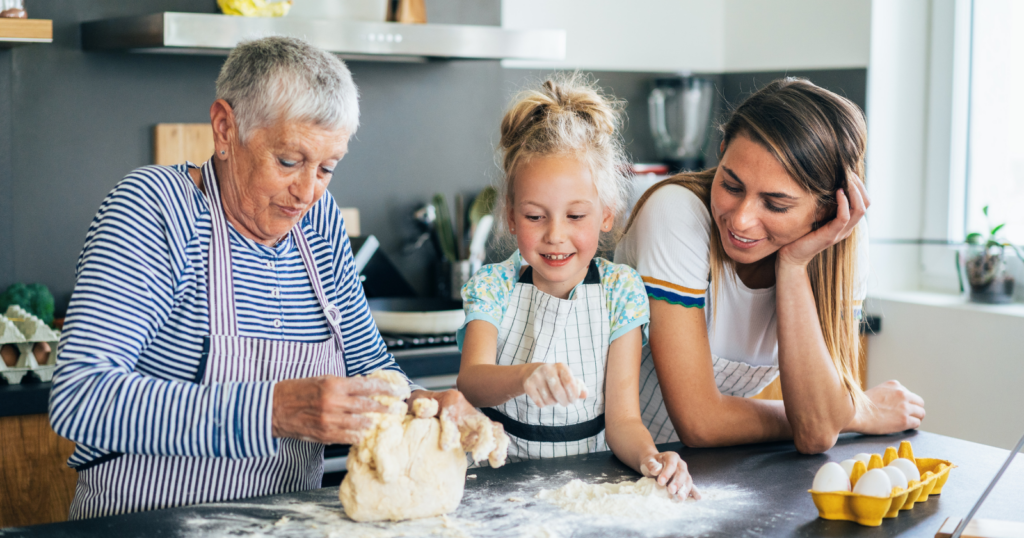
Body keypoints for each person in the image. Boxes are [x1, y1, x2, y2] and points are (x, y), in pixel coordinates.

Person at [49, 36, 479, 519]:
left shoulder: (321, 224)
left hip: (284, 527)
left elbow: (370, 366)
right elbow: (80, 397)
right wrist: (275, 409)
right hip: (148, 526)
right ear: (225, 128)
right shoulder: (155, 209)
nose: (306, 191)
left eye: (327, 169)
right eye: (289, 161)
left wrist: (422, 402)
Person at [615, 78, 926, 455]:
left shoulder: (842, 241)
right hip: (603, 459)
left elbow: (815, 434)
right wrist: (857, 413)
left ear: (829, 208)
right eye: (731, 185)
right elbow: (700, 422)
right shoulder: (676, 214)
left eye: (775, 204)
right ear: (723, 150)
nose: (741, 219)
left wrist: (793, 266)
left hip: (697, 473)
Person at [456, 76, 699, 500]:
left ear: (606, 214)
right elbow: (472, 382)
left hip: (588, 490)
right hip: (498, 486)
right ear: (511, 217)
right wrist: (525, 376)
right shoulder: (493, 286)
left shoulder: (619, 291)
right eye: (535, 217)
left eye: (575, 216)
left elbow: (623, 420)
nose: (555, 235)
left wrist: (651, 459)